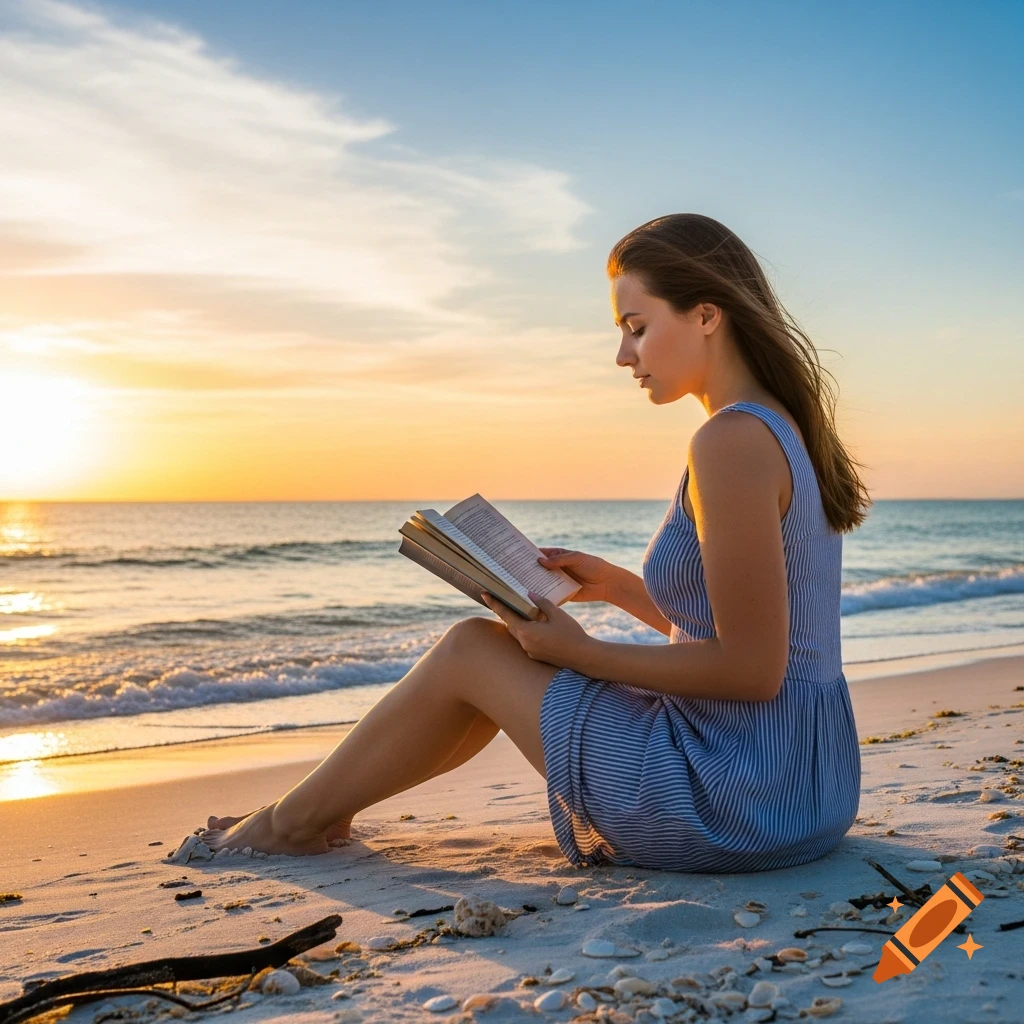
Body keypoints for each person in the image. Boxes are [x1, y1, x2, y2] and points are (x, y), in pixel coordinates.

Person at [202, 213, 872, 870]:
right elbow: (749, 632)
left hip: (731, 801)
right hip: (804, 791)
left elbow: (752, 671)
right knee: (486, 653)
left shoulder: (727, 442)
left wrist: (584, 653)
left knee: (470, 649)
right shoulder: (779, 427)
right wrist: (611, 586)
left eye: (637, 328)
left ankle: (291, 823)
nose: (622, 354)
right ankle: (324, 811)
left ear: (706, 315)